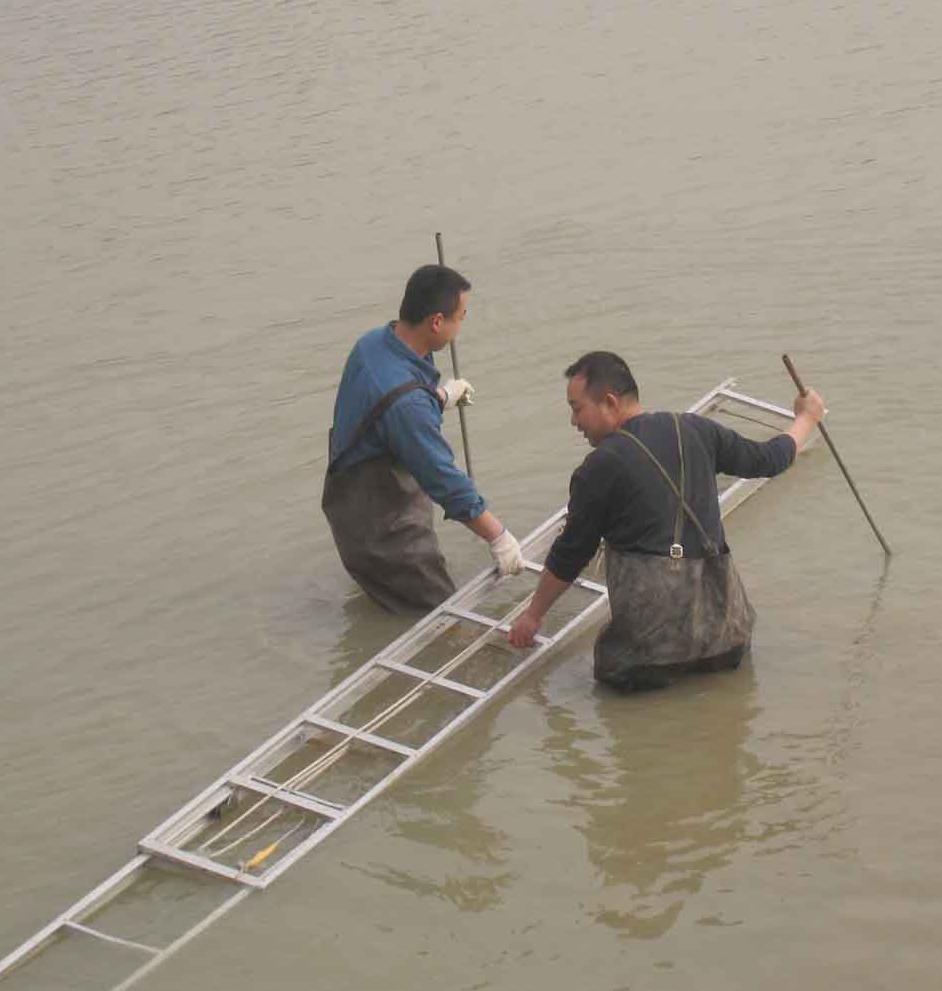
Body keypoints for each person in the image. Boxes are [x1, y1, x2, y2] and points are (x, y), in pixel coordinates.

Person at [509, 351, 825, 689]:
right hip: (725, 643)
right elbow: (768, 460)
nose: (574, 422)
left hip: (646, 661)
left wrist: (532, 616)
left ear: (610, 402)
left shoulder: (599, 466)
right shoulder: (697, 429)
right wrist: (806, 418)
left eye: (577, 409)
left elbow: (571, 554)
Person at [322, 264, 524, 612]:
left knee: (392, 606)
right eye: (460, 317)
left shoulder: (372, 343)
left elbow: (386, 413)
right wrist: (498, 537)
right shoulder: (407, 404)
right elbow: (443, 478)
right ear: (436, 322)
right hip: (383, 532)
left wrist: (440, 397)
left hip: (348, 502)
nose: (461, 326)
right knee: (444, 620)